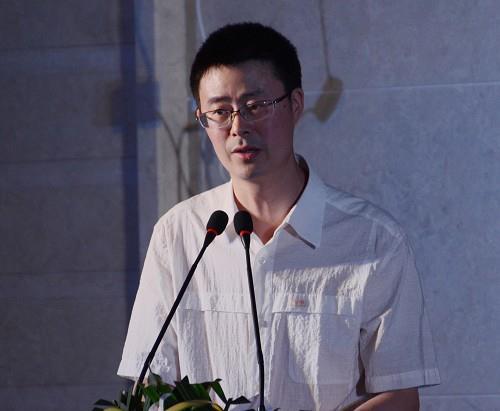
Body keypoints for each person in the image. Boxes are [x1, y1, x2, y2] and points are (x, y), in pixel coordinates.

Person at [118, 22, 440, 410]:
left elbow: (399, 396)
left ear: (295, 104)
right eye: (220, 112)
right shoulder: (178, 234)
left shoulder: (374, 241)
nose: (238, 128)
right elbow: (150, 383)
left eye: (255, 107)